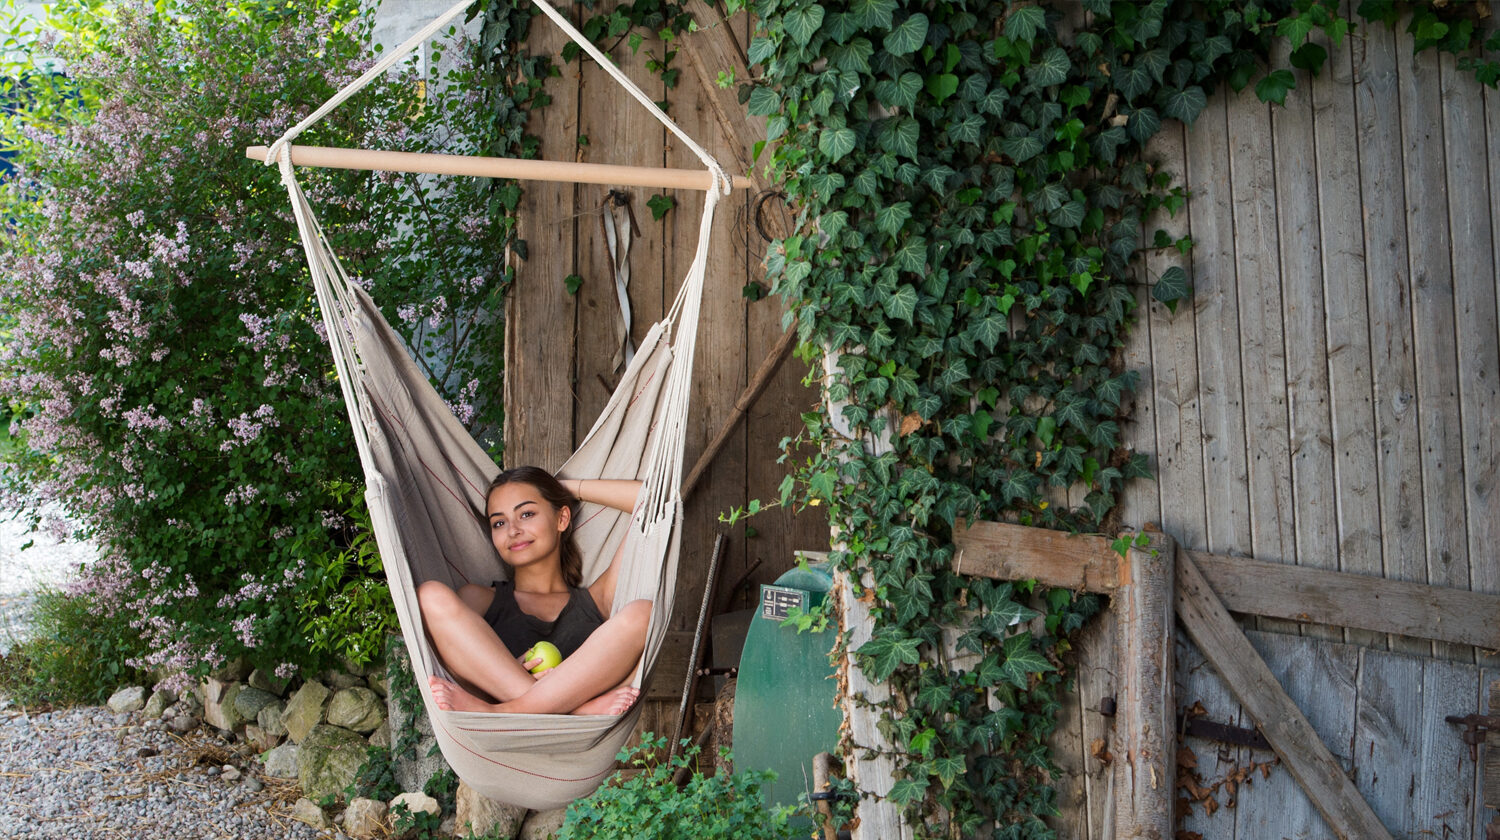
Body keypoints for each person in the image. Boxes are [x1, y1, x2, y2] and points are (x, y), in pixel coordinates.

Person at [416, 466, 652, 716]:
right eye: (499, 522)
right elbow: (454, 665)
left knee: (642, 613)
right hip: (548, 724)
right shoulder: (479, 600)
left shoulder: (598, 598)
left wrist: (565, 487)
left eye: (526, 514)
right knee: (429, 595)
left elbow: (652, 501)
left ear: (562, 519)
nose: (512, 530)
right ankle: (574, 714)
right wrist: (506, 673)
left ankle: (506, 712)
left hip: (498, 715)